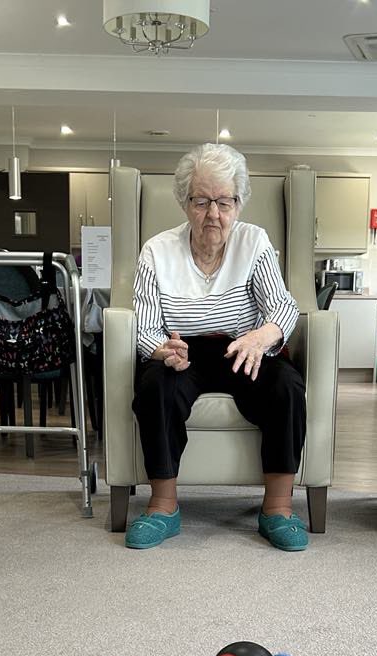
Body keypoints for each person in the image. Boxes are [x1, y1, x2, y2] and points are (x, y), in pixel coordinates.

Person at [128, 143, 307, 551]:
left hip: (243, 348)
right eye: (202, 201)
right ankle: (163, 507)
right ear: (184, 202)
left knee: (287, 385)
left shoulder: (254, 242)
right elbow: (145, 328)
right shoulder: (156, 251)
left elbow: (283, 307)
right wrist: (163, 350)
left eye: (224, 202)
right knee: (155, 385)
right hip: (183, 353)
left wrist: (261, 338)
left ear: (238, 203)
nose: (213, 214)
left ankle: (278, 509)